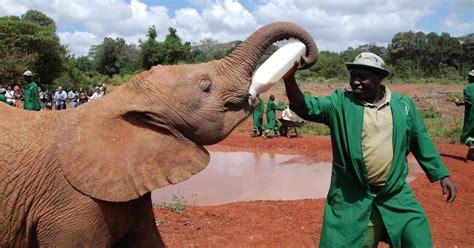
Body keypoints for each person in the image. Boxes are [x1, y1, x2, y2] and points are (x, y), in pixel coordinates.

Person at [283, 52, 457, 247]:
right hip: (352, 197)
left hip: (394, 195)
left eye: (362, 77)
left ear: (379, 77)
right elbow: (303, 106)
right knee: (346, 241)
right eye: (352, 76)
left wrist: (442, 174)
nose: (355, 82)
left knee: (418, 238)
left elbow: (421, 140)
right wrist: (289, 79)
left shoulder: (403, 106)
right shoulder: (340, 103)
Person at [455, 69, 474, 160]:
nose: (468, 78)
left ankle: (471, 144)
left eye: (470, 77)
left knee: (469, 131)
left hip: (471, 114)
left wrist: (459, 103)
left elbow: (468, 102)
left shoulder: (467, 88)